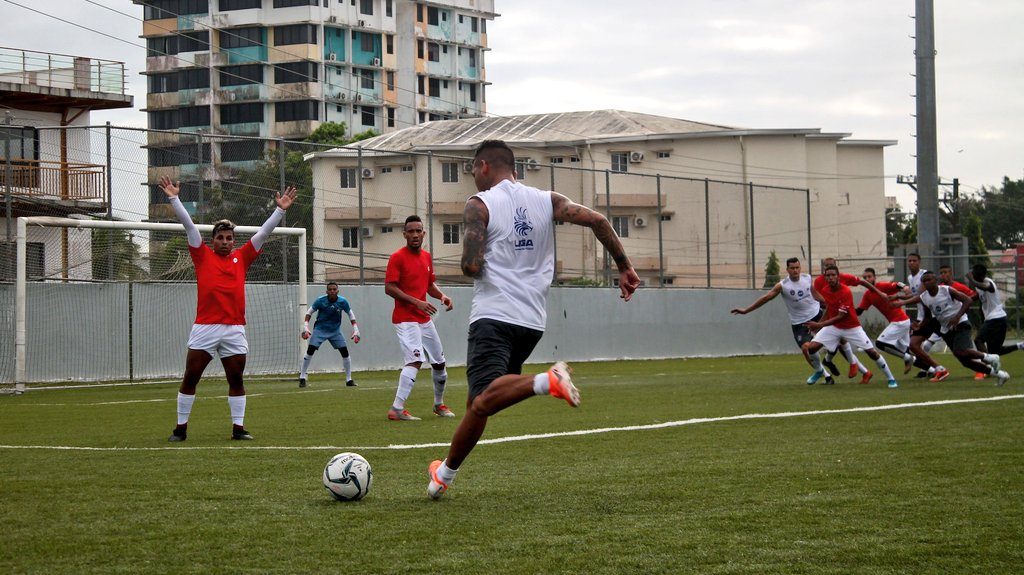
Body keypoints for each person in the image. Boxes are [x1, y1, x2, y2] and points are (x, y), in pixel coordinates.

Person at [426, 139, 641, 499]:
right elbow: (598, 220)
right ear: (514, 168)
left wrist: (478, 260)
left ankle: (548, 381)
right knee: (480, 404)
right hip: (531, 322)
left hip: (494, 316)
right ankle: (443, 476)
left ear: (483, 167)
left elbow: (470, 266)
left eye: (472, 171)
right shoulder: (547, 200)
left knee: (482, 400)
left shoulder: (480, 204)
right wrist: (624, 267)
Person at [160, 175, 297, 442]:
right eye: (221, 237)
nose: (225, 241)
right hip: (206, 327)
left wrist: (280, 210)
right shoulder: (201, 255)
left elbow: (264, 232)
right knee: (191, 377)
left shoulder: (242, 257)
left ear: (234, 241)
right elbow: (188, 225)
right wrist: (174, 198)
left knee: (236, 379)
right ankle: (180, 429)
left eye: (229, 238)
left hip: (235, 328)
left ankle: (238, 428)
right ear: (213, 240)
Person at [384, 215, 455, 421]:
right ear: (404, 234)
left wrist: (442, 296)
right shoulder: (397, 257)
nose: (415, 235)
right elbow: (389, 288)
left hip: (423, 319)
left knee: (440, 363)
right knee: (415, 360)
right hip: (405, 318)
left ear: (423, 233)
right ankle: (396, 409)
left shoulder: (426, 257)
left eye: (418, 231)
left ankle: (439, 404)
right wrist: (416, 302)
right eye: (411, 231)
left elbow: (429, 285)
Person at [892, 270, 1009, 385]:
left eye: (929, 280)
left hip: (961, 324)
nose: (926, 283)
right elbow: (928, 317)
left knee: (961, 351)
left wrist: (958, 316)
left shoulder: (947, 290)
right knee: (965, 362)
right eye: (924, 281)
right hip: (947, 328)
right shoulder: (924, 297)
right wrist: (919, 326)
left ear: (936, 281)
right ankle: (1000, 374)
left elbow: (967, 300)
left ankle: (990, 357)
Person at [730, 257, 835, 384]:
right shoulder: (783, 285)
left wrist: (825, 302)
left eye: (797, 268)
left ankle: (847, 364)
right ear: (787, 269)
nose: (795, 270)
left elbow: (813, 293)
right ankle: (823, 373)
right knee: (806, 348)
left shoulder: (807, 278)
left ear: (800, 268)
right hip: (799, 323)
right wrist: (746, 310)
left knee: (839, 337)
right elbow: (766, 298)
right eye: (792, 268)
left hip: (816, 315)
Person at [803, 265, 899, 388]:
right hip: (834, 327)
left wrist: (820, 324)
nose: (830, 278)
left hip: (851, 327)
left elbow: (841, 316)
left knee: (872, 353)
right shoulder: (826, 290)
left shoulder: (845, 291)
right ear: (825, 277)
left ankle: (891, 378)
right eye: (828, 275)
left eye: (833, 275)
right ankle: (819, 371)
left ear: (838, 276)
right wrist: (818, 325)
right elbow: (828, 309)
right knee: (811, 348)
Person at [963, 263, 1023, 379]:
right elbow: (979, 300)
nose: (973, 276)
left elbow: (985, 287)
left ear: (981, 275)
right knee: (996, 351)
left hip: (996, 318)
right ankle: (1020, 346)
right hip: (995, 319)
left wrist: (970, 279)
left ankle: (987, 369)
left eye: (974, 274)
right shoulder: (979, 286)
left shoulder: (988, 282)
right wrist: (963, 300)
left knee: (978, 340)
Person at [299, 282, 360, 388]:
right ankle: (302, 377)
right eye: (330, 289)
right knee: (310, 351)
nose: (332, 291)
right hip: (320, 330)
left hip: (335, 331)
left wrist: (355, 329)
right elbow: (309, 312)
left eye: (334, 289)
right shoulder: (320, 300)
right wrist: (305, 326)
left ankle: (349, 380)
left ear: (338, 291)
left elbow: (350, 313)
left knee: (345, 352)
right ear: (326, 291)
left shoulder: (343, 301)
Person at [856, 267, 916, 374]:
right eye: (865, 278)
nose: (867, 279)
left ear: (875, 277)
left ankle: (907, 357)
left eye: (869, 277)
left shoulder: (882, 286)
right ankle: (933, 369)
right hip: (900, 322)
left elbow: (897, 284)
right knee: (905, 351)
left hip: (900, 321)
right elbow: (859, 311)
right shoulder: (868, 295)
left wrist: (905, 287)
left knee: (880, 344)